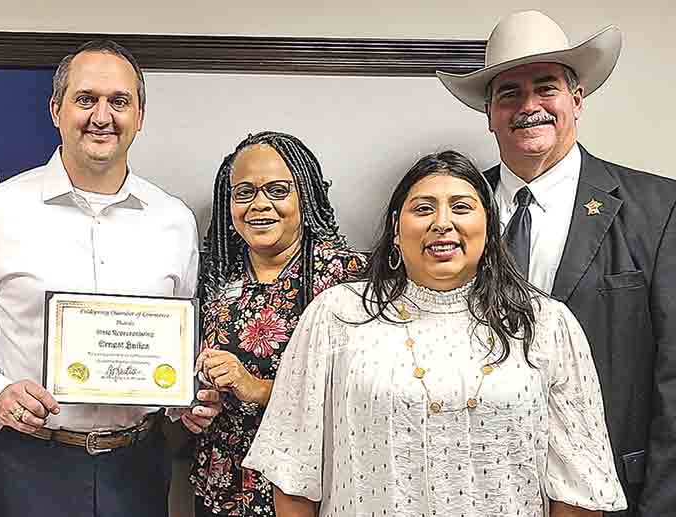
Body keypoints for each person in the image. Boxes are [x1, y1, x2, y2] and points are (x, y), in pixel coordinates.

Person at [0, 39, 221, 517]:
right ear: (56, 109)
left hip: (139, 467)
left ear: (139, 116)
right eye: (86, 99)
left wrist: (184, 396)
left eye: (119, 101)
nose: (102, 116)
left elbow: (178, 336)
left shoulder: (175, 220)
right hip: (26, 462)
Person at [436, 11, 676, 516]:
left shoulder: (661, 211)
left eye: (546, 88)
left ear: (576, 100)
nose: (530, 107)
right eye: (509, 94)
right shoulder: (447, 212)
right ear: (489, 114)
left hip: (615, 498)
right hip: (472, 491)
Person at [243, 151, 627, 516]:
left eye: (461, 207)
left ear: (490, 229)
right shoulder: (336, 315)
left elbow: (580, 486)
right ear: (396, 229)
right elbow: (292, 472)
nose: (442, 222)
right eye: (423, 208)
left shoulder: (544, 323)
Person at [192, 131, 366, 517]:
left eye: (277, 189)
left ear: (305, 195)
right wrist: (195, 404)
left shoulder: (347, 280)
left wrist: (257, 388)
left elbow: (359, 396)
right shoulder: (216, 276)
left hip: (304, 490)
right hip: (221, 485)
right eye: (244, 192)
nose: (259, 205)